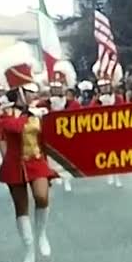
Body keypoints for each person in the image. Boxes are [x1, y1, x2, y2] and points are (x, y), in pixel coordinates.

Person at [0, 42, 57, 262]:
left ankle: (41, 236)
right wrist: (28, 114)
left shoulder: (39, 111)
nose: (33, 95)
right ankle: (29, 248)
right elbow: (13, 128)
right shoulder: (5, 112)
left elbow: (49, 137)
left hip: (37, 160)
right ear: (19, 92)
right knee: (21, 207)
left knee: (42, 197)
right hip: (14, 164)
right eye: (29, 91)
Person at [38, 61, 81, 192]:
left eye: (59, 87)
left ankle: (67, 178)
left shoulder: (73, 104)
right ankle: (55, 176)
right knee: (52, 159)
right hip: (50, 139)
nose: (56, 90)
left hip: (68, 136)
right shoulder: (42, 104)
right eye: (54, 88)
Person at [90, 60, 125, 188]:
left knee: (117, 153)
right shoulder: (97, 101)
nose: (104, 88)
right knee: (107, 153)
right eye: (102, 86)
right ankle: (110, 173)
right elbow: (89, 115)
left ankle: (118, 176)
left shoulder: (118, 98)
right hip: (103, 130)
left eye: (106, 85)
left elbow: (125, 112)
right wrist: (99, 105)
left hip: (116, 129)